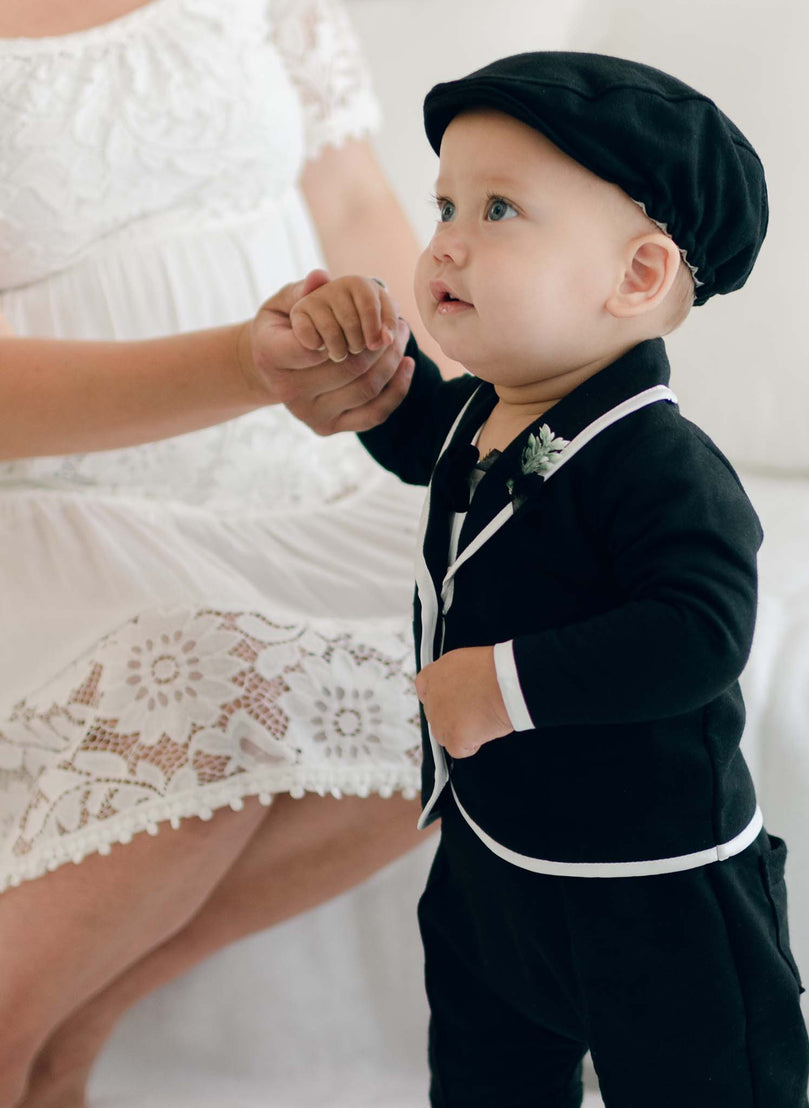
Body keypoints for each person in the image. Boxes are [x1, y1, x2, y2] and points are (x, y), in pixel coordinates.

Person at [290, 51, 809, 1108]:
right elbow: (433, 449)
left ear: (636, 276)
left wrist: (503, 687)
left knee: (707, 1084)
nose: (445, 239)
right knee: (486, 1076)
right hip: (496, 861)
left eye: (499, 210)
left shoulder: (660, 461)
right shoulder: (491, 408)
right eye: (444, 204)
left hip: (654, 887)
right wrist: (370, 378)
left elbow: (699, 629)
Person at [0, 2, 452, 1105]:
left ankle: (72, 1032)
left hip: (317, 478)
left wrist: (470, 423)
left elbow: (349, 199)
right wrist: (248, 368)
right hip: (57, 501)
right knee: (217, 679)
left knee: (547, 623)